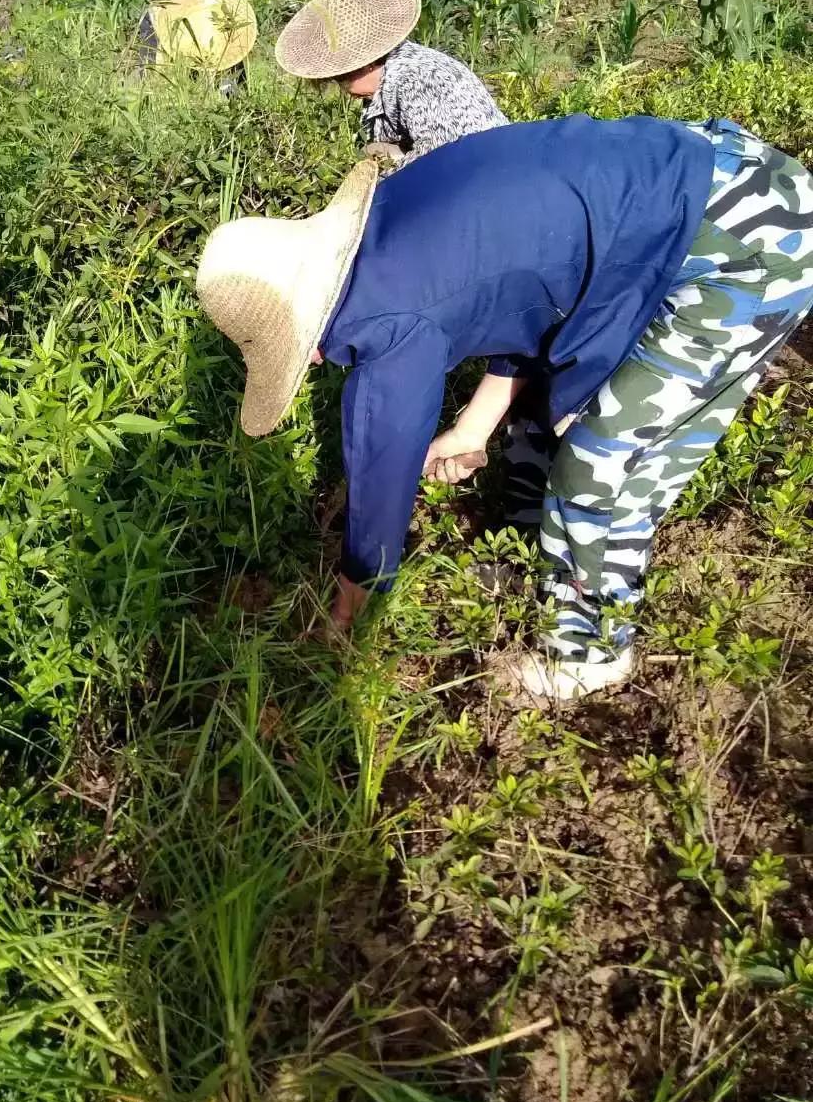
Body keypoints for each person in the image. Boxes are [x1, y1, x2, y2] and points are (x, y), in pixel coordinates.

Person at [196, 116, 813, 701]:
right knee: (608, 438)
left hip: (746, 244)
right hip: (728, 175)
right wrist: (472, 427)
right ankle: (575, 564)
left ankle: (591, 656)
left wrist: (351, 602)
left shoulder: (382, 317)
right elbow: (526, 294)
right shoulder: (393, 219)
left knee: (600, 464)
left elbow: (382, 470)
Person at [274, 0, 507, 164]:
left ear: (367, 63)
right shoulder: (389, 77)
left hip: (486, 173)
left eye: (342, 77)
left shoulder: (418, 79)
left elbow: (437, 160)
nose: (342, 87)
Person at [137, 0, 257, 95]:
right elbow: (163, 48)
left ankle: (232, 94)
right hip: (160, 12)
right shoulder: (162, 0)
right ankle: (150, 99)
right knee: (153, 69)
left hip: (213, 14)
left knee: (229, 55)